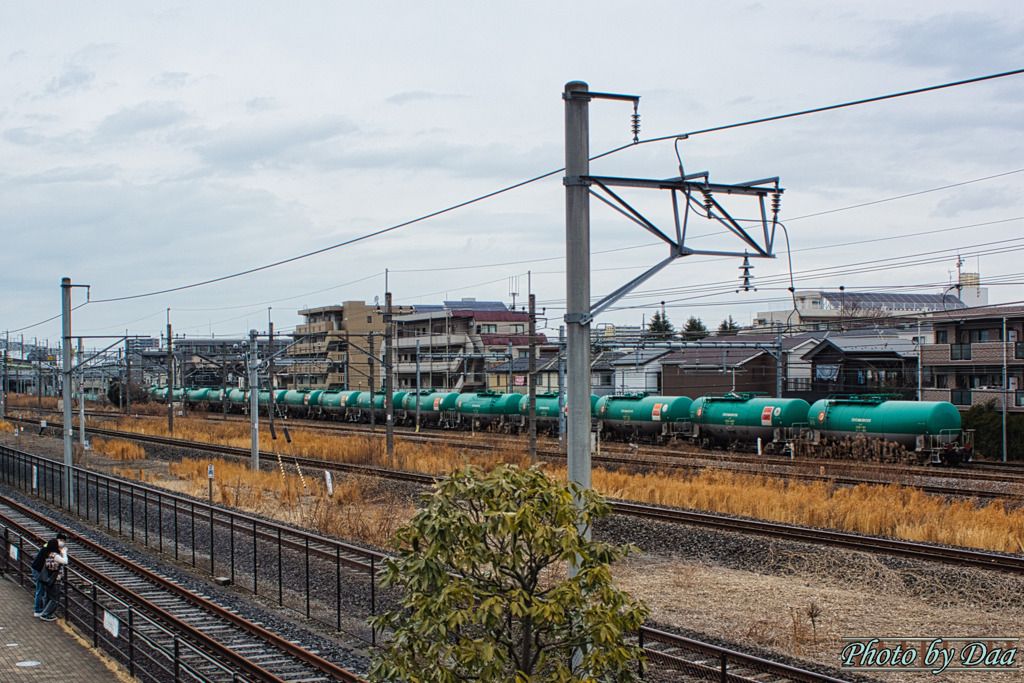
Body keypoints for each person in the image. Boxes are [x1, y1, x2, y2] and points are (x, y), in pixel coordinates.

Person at [31, 532, 68, 619]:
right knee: (41, 590)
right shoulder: (51, 550)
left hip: (41, 570)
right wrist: (63, 553)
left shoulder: (48, 547)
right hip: (40, 570)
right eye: (61, 540)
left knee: (45, 592)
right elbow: (63, 561)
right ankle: (39, 611)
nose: (62, 542)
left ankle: (42, 610)